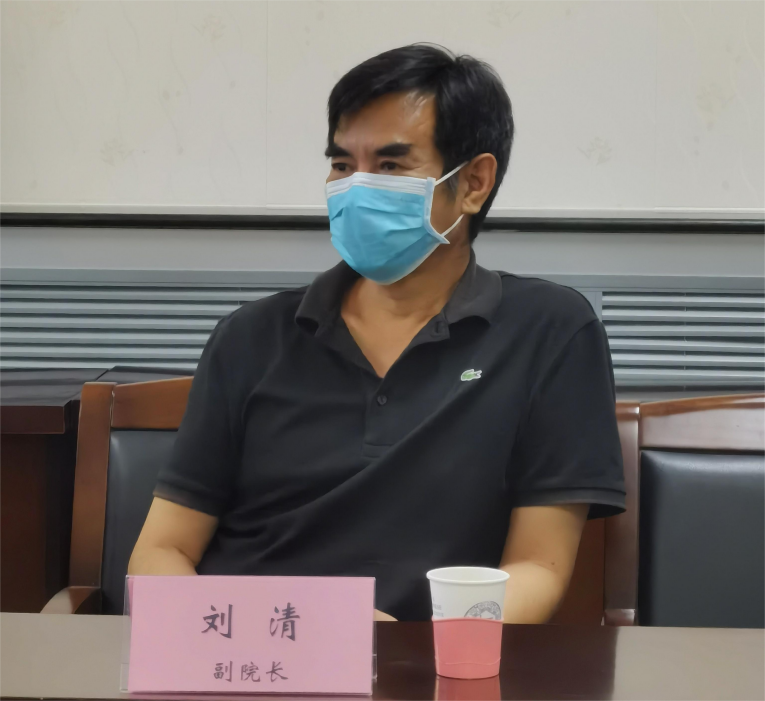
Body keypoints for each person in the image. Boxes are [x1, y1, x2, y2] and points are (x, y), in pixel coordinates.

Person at [129, 44, 625, 623]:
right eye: (343, 166)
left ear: (473, 182)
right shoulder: (250, 337)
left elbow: (538, 567)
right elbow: (162, 551)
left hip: (430, 656)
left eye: (390, 166)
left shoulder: (551, 332)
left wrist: (410, 649)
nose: (357, 188)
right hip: (253, 650)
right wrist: (248, 633)